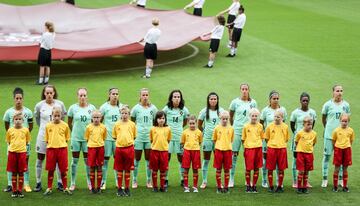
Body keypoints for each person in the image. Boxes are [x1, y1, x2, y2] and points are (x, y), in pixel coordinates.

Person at [34, 85, 66, 192]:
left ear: (54, 93)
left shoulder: (60, 104)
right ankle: (38, 182)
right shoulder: (39, 105)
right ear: (44, 93)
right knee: (40, 158)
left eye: (51, 93)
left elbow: (63, 118)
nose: (49, 95)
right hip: (43, 135)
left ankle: (60, 182)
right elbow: (37, 120)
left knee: (58, 160)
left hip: (57, 137)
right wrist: (45, 129)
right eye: (47, 93)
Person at [3, 88, 33, 193]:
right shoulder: (8, 112)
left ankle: (26, 184)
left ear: (23, 99)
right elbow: (6, 126)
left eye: (20, 98)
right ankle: (10, 184)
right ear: (14, 99)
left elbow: (31, 126)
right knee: (11, 163)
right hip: (12, 142)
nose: (18, 100)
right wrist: (13, 135)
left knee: (25, 162)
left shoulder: (28, 112)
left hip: (24, 142)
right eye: (17, 98)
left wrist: (23, 136)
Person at [321, 85, 350, 188]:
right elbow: (324, 118)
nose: (339, 93)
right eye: (337, 91)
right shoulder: (327, 105)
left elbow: (347, 119)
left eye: (341, 91)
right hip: (329, 135)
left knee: (341, 159)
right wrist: (327, 129)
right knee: (327, 156)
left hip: (341, 138)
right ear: (333, 92)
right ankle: (324, 179)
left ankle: (341, 179)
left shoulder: (346, 105)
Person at [228, 83, 257, 187]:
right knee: (234, 155)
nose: (244, 91)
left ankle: (247, 179)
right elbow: (230, 116)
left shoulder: (253, 102)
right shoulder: (235, 102)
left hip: (249, 133)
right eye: (243, 89)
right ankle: (231, 179)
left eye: (246, 89)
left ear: (249, 90)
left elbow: (255, 116)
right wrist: (233, 127)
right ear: (240, 90)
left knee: (248, 155)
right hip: (237, 131)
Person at [68, 88, 96, 191]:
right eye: (80, 95)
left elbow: (95, 123)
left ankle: (89, 182)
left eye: (84, 95)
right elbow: (69, 122)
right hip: (76, 138)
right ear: (77, 96)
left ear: (87, 96)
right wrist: (74, 132)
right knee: (74, 161)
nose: (82, 97)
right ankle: (72, 182)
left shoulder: (92, 108)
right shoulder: (72, 108)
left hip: (87, 140)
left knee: (87, 161)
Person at [131, 88, 158, 188]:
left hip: (149, 138)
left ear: (149, 96)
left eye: (147, 95)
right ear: (140, 96)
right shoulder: (136, 108)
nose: (145, 97)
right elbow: (132, 121)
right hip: (138, 137)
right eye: (143, 95)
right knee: (136, 160)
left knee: (148, 160)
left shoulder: (153, 108)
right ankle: (134, 180)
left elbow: (156, 121)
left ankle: (148, 181)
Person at [260, 90, 287, 188]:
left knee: (278, 162)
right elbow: (261, 123)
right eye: (274, 99)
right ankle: (264, 180)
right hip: (267, 140)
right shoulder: (265, 110)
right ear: (270, 100)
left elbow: (284, 124)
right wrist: (267, 137)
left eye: (277, 98)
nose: (276, 100)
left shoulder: (283, 110)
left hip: (279, 141)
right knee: (265, 161)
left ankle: (278, 181)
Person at [163, 90, 189, 187]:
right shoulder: (167, 109)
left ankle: (183, 179)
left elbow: (185, 121)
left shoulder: (184, 110)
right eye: (175, 97)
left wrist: (179, 128)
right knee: (167, 157)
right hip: (168, 137)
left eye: (178, 97)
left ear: (181, 98)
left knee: (181, 158)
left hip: (179, 137)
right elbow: (161, 118)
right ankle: (165, 179)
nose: (177, 99)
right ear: (171, 98)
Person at [290, 92, 317, 188]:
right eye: (303, 100)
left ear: (309, 101)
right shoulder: (295, 113)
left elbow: (313, 125)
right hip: (298, 139)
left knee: (307, 162)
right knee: (295, 159)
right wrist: (297, 134)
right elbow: (292, 125)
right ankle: (295, 181)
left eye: (307, 100)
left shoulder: (312, 112)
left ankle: (306, 182)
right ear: (300, 101)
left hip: (308, 141)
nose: (305, 102)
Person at [198, 92, 224, 189]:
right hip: (208, 139)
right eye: (211, 99)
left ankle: (219, 182)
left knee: (218, 161)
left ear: (217, 100)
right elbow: (199, 124)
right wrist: (204, 132)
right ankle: (204, 181)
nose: (213, 101)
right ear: (208, 100)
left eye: (215, 99)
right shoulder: (204, 111)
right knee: (206, 160)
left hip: (219, 140)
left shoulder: (221, 111)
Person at [43, 107, 72, 195]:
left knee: (63, 170)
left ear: (61, 116)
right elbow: (47, 139)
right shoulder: (48, 126)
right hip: (51, 150)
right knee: (51, 169)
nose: (56, 118)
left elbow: (66, 138)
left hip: (62, 149)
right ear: (52, 115)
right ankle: (49, 187)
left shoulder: (65, 125)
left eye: (58, 116)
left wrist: (60, 144)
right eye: (55, 116)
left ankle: (65, 187)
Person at [99, 88, 123, 190]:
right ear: (109, 95)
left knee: (118, 161)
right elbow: (98, 121)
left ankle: (118, 182)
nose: (115, 96)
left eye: (117, 94)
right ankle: (103, 182)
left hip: (118, 139)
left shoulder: (121, 107)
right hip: (108, 138)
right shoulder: (104, 107)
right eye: (113, 94)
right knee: (105, 160)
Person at [6, 112, 31, 198]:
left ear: (23, 120)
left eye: (19, 119)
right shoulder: (10, 130)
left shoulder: (26, 130)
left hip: (22, 153)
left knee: (21, 172)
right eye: (16, 119)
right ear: (13, 120)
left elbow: (27, 141)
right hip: (12, 153)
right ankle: (14, 190)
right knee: (13, 172)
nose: (18, 121)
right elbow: (9, 141)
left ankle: (20, 190)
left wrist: (22, 149)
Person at [113, 106, 137, 197]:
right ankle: (119, 188)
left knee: (127, 169)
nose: (124, 115)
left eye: (126, 113)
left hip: (129, 148)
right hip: (119, 148)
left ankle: (127, 188)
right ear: (120, 114)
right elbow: (114, 136)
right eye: (122, 113)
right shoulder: (117, 124)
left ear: (129, 114)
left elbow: (134, 136)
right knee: (119, 169)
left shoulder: (132, 124)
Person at [264, 110, 290, 193]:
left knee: (281, 169)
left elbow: (286, 138)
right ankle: (271, 186)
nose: (276, 118)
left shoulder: (285, 127)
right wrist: (272, 144)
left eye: (278, 117)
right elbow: (266, 138)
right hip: (271, 149)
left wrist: (280, 143)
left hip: (282, 149)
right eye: (275, 116)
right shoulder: (269, 126)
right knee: (270, 168)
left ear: (282, 118)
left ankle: (279, 186)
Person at [242, 108, 264, 193]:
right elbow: (243, 139)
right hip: (249, 149)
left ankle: (254, 185)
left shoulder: (260, 126)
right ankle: (248, 185)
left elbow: (262, 137)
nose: (254, 117)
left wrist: (257, 144)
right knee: (248, 168)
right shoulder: (246, 126)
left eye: (256, 116)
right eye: (252, 116)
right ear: (249, 116)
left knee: (256, 168)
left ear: (258, 117)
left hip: (258, 148)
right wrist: (248, 145)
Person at [84, 110, 107, 194]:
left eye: (98, 117)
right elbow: (86, 138)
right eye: (94, 117)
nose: (96, 119)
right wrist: (92, 144)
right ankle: (93, 187)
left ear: (101, 118)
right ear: (91, 118)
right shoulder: (88, 127)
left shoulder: (103, 127)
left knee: (99, 166)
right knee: (92, 167)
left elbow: (104, 137)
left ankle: (99, 187)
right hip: (91, 148)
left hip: (100, 148)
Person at [149, 111, 172, 192]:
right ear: (156, 119)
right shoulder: (153, 128)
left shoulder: (168, 129)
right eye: (159, 118)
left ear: (165, 119)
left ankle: (162, 186)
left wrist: (163, 146)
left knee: (163, 170)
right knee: (154, 169)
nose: (161, 120)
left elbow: (168, 140)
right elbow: (151, 140)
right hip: (154, 151)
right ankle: (155, 186)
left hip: (164, 152)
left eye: (163, 118)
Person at [332, 114, 355, 192]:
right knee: (337, 168)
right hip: (338, 150)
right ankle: (335, 186)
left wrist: (347, 146)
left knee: (345, 168)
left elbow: (351, 140)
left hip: (347, 150)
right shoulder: (336, 130)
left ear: (348, 121)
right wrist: (336, 148)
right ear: (340, 121)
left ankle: (345, 186)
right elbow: (333, 140)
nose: (344, 123)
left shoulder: (351, 130)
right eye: (343, 121)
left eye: (346, 121)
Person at [213, 111, 234, 194]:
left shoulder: (231, 128)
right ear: (220, 119)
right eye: (223, 119)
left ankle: (226, 187)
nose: (225, 120)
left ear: (228, 119)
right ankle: (219, 186)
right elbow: (214, 139)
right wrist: (219, 146)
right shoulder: (217, 128)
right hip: (219, 150)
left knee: (227, 169)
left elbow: (231, 139)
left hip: (228, 150)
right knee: (218, 169)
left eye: (226, 119)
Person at [295, 116, 317, 194]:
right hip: (301, 154)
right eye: (308, 124)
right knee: (301, 171)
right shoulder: (300, 133)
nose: (310, 126)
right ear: (303, 124)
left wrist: (308, 149)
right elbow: (296, 142)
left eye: (311, 124)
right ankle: (299, 187)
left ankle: (304, 187)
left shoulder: (314, 133)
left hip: (309, 154)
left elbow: (313, 143)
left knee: (307, 171)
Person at [181, 115, 202, 193]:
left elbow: (200, 142)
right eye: (190, 123)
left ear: (196, 123)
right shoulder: (184, 132)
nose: (192, 125)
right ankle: (186, 186)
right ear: (187, 123)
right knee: (186, 168)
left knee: (195, 169)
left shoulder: (199, 132)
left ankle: (195, 186)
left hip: (196, 151)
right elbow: (182, 142)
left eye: (193, 123)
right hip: (187, 151)